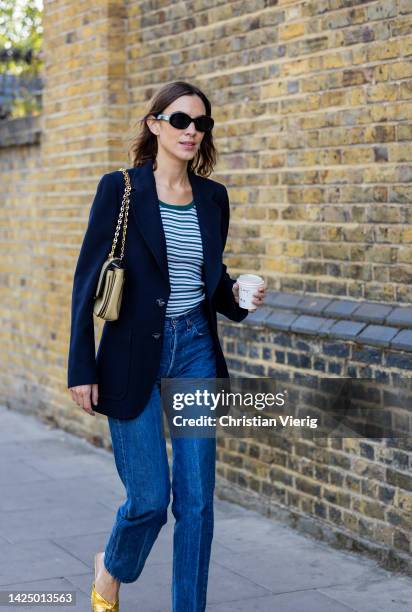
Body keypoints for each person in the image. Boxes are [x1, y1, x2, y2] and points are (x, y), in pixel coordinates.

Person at [67, 80, 266, 612]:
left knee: (197, 503)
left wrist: (240, 294)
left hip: (195, 350)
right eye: (180, 120)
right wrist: (80, 367)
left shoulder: (212, 197)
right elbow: (87, 282)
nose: (192, 132)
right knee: (150, 501)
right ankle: (111, 568)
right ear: (155, 124)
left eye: (201, 123)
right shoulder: (121, 189)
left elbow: (212, 282)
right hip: (131, 355)